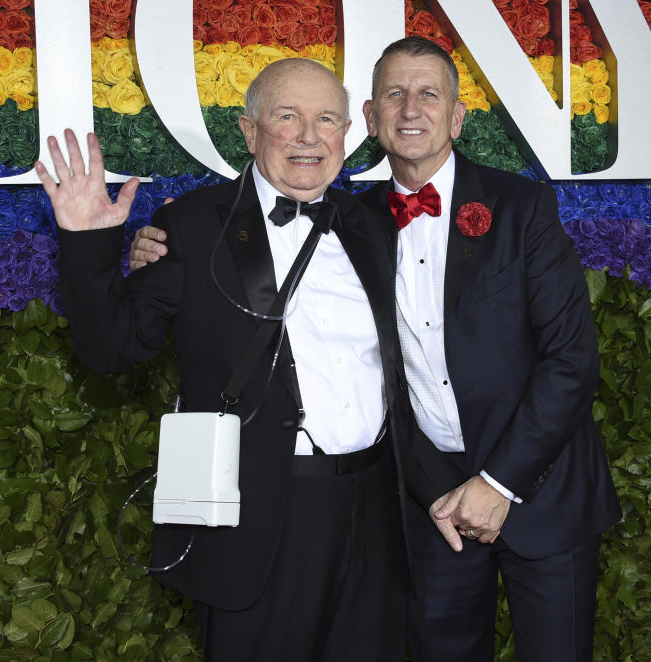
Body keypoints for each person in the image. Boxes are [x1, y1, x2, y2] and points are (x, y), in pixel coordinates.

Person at [130, 38, 622, 662]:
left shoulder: (520, 206)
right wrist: (156, 244)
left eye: (428, 94)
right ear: (369, 119)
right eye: (394, 93)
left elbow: (571, 359)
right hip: (429, 503)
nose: (410, 108)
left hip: (541, 491)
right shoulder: (351, 219)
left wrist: (498, 483)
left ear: (457, 117)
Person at [35, 58, 410, 662]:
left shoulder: (374, 225)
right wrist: (88, 243)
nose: (310, 136)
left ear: (348, 133)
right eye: (288, 117)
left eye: (327, 120)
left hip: (378, 513)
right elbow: (112, 350)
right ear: (249, 130)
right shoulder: (191, 225)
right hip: (264, 516)